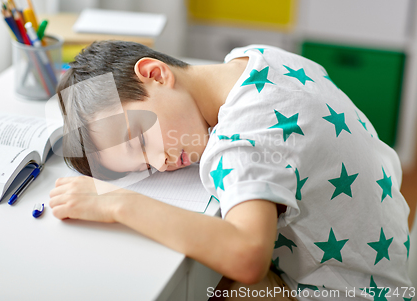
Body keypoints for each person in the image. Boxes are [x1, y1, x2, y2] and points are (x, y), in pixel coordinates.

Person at [49, 41, 412, 300]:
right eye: (145, 166)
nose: (160, 163)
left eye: (141, 141)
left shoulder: (243, 140)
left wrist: (117, 204)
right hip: (390, 264)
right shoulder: (255, 57)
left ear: (155, 74)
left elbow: (247, 255)